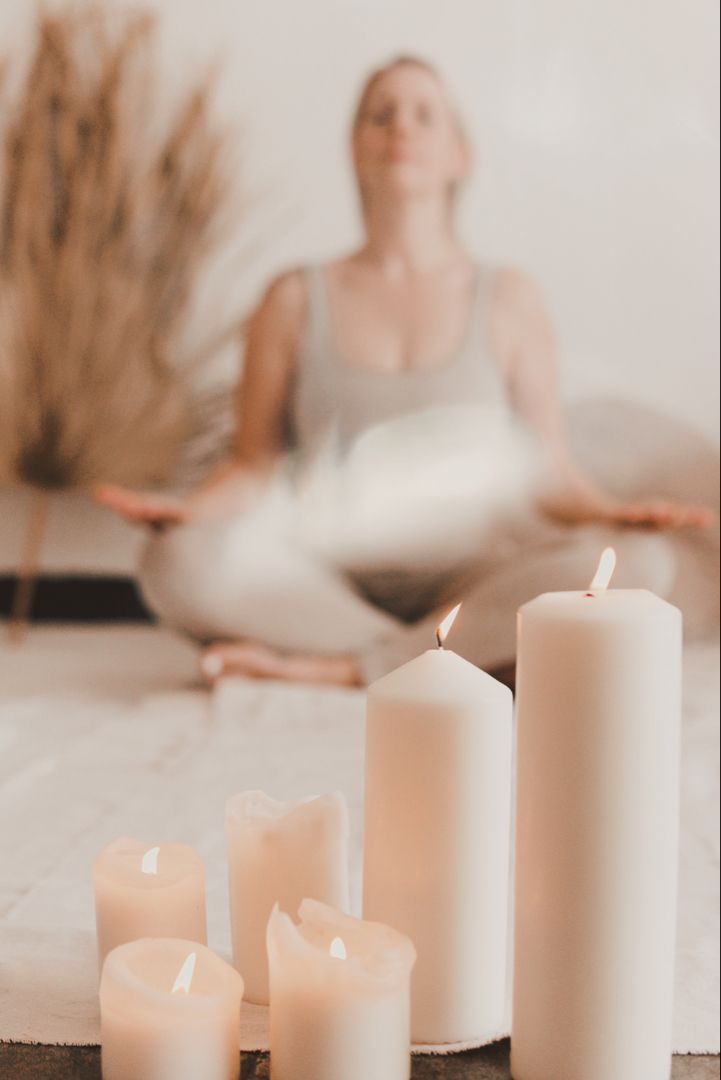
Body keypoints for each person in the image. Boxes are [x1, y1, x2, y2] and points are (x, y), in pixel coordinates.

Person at [97, 56, 715, 686]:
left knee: (644, 565)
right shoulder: (291, 298)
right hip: (324, 583)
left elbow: (547, 471)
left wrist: (614, 514)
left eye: (425, 114)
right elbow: (253, 464)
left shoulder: (509, 299)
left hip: (476, 578)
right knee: (175, 564)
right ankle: (450, 655)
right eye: (380, 114)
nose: (401, 129)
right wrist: (189, 512)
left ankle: (345, 669)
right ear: (353, 146)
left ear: (458, 155)